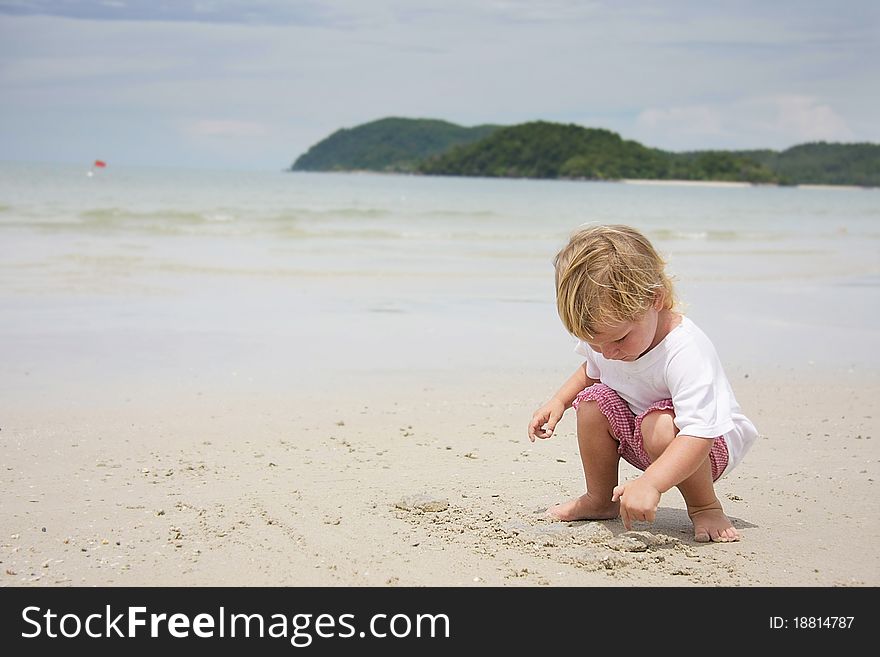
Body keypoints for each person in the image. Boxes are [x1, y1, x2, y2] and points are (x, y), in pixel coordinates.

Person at [528, 224, 757, 542]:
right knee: (593, 402)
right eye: (595, 343)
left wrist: (650, 483)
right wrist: (558, 401)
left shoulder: (685, 350)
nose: (608, 352)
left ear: (655, 299)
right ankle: (599, 499)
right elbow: (591, 371)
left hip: (705, 447)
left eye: (619, 339)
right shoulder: (611, 340)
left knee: (658, 424)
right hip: (642, 434)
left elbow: (700, 433)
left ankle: (705, 506)